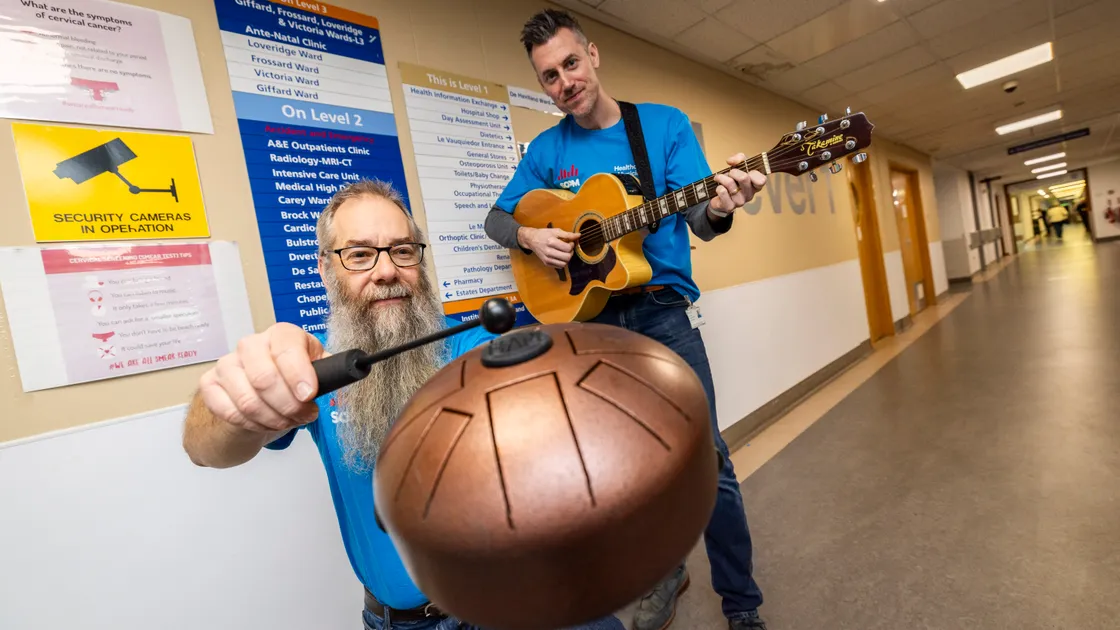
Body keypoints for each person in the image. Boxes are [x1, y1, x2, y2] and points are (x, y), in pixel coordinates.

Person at [182, 179, 625, 630]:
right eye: (359, 255)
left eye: (402, 250)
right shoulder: (313, 370)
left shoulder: (469, 343)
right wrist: (238, 398)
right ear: (324, 269)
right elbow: (203, 448)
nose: (386, 270)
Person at [484, 9, 770, 630]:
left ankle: (742, 602)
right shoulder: (545, 150)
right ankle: (662, 574)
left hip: (663, 314)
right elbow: (497, 220)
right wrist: (532, 236)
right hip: (589, 326)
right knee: (622, 469)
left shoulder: (661, 127)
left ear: (593, 54)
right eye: (549, 76)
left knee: (706, 461)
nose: (565, 81)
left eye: (571, 63)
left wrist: (723, 206)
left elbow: (701, 219)